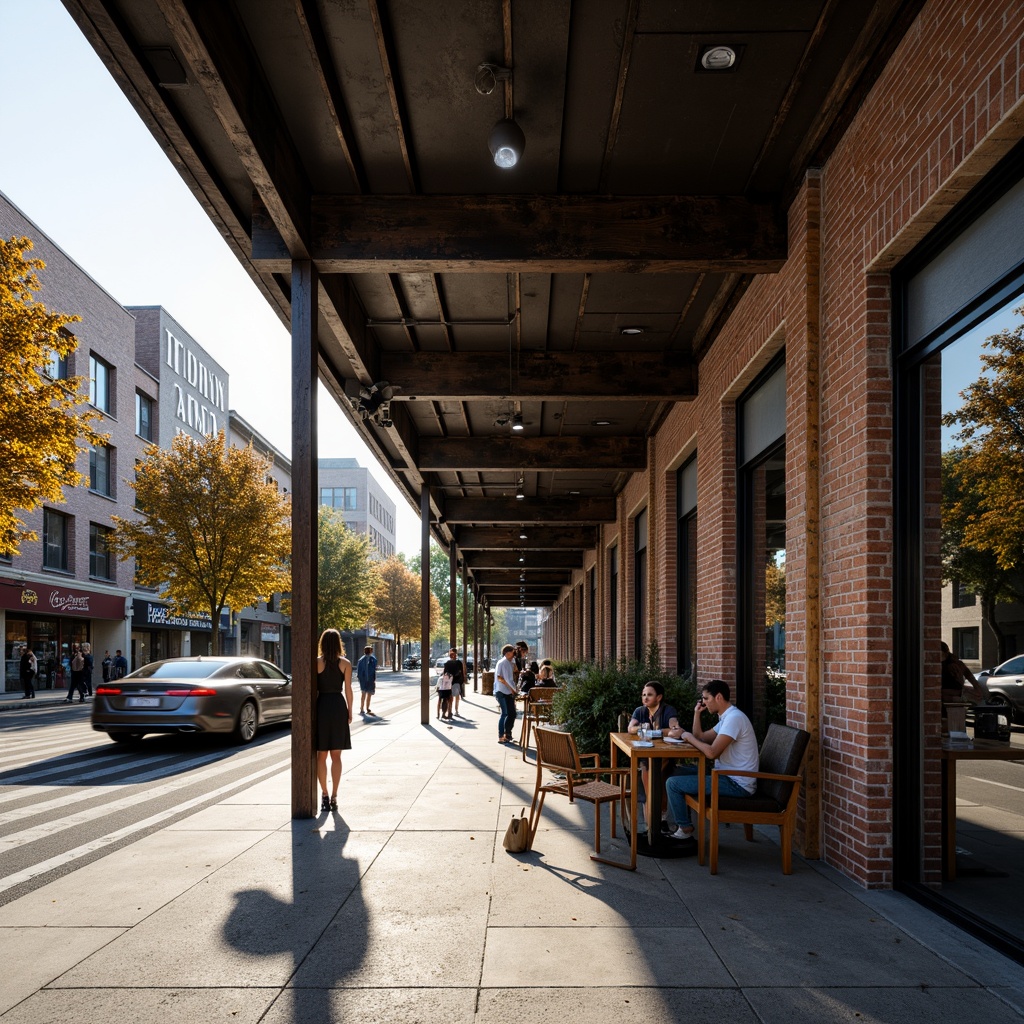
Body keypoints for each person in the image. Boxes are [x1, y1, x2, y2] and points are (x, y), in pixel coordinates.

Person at [665, 679, 759, 840]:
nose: (703, 702)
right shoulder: (726, 718)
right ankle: (671, 823)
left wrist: (686, 736)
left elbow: (712, 752)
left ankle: (684, 828)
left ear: (719, 697)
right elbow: (700, 737)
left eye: (706, 698)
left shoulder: (734, 718)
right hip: (724, 775)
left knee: (673, 784)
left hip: (736, 784)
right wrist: (697, 713)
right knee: (673, 771)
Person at [628, 682, 681, 833]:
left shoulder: (668, 710)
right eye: (644, 694)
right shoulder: (640, 711)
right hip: (646, 755)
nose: (645, 698)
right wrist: (640, 728)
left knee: (655, 772)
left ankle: (656, 820)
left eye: (649, 695)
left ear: (659, 697)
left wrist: (652, 732)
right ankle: (654, 821)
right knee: (648, 768)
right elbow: (630, 728)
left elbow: (674, 728)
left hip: (665, 756)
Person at [316, 628, 353, 812]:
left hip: (321, 707)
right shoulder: (345, 663)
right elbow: (348, 690)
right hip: (338, 706)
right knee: (336, 755)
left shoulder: (316, 663)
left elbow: (312, 690)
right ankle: (334, 796)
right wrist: (350, 710)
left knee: (321, 755)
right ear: (339, 643)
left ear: (322, 643)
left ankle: (323, 794)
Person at [494, 644, 518, 743]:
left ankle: (507, 733)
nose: (514, 655)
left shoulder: (508, 662)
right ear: (508, 653)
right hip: (503, 691)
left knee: (511, 713)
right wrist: (513, 690)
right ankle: (501, 736)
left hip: (505, 690)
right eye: (512, 652)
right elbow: (505, 679)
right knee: (505, 713)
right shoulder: (504, 663)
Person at [443, 647, 466, 717]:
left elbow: (445, 673)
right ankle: (455, 710)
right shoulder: (458, 662)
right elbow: (462, 672)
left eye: (451, 652)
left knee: (451, 697)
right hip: (456, 681)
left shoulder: (447, 663)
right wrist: (462, 680)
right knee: (456, 697)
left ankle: (451, 710)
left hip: (451, 681)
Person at [356, 645, 377, 715]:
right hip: (369, 679)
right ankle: (367, 708)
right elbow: (374, 669)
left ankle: (362, 708)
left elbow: (358, 671)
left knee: (364, 694)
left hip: (364, 679)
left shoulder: (361, 660)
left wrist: (359, 678)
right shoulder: (373, 659)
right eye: (371, 650)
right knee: (368, 695)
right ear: (370, 651)